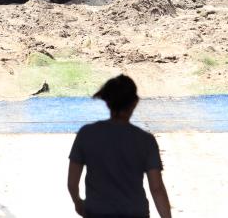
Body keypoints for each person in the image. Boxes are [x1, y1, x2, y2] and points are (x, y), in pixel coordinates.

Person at [67, 75, 172, 218]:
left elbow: (72, 183)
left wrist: (78, 203)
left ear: (107, 102)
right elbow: (157, 188)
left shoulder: (86, 134)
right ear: (135, 103)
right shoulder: (146, 140)